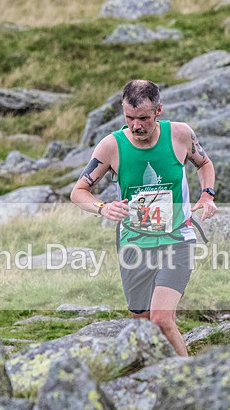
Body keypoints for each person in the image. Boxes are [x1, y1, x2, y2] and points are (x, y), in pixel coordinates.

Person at [70, 79, 218, 356]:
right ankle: (157, 377)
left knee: (161, 320)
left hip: (177, 239)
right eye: (129, 118)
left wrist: (207, 195)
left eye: (144, 118)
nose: (136, 125)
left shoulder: (180, 135)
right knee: (143, 326)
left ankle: (189, 381)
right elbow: (79, 192)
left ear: (158, 111)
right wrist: (103, 208)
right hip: (134, 244)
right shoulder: (111, 146)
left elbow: (204, 164)